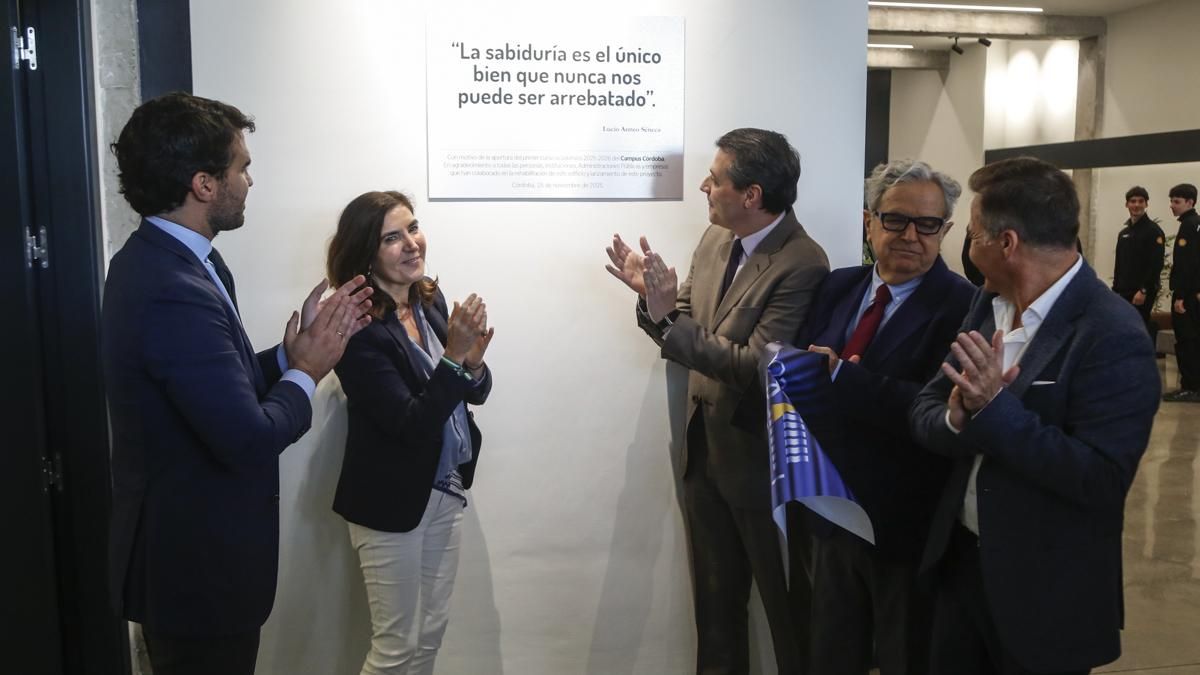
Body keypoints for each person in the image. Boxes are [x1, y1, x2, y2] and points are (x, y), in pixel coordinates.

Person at [102, 92, 373, 675]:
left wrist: (288, 356)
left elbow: (217, 382)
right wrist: (307, 371)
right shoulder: (169, 284)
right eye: (241, 167)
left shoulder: (184, 262)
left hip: (197, 565)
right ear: (204, 184)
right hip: (193, 572)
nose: (250, 180)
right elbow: (247, 438)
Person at [911, 157, 1160, 674]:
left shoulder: (1111, 332)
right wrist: (956, 420)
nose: (968, 249)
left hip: (1045, 596)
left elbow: (1100, 478)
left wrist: (994, 411)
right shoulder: (989, 304)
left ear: (1007, 243)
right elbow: (927, 406)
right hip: (962, 568)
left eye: (972, 235)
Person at [606, 128, 829, 674]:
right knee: (715, 612)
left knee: (788, 617)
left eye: (715, 178)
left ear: (751, 195)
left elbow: (754, 368)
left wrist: (668, 319)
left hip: (763, 470)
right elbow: (681, 321)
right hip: (703, 455)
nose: (705, 187)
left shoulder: (803, 262)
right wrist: (653, 301)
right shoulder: (715, 239)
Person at [799, 159, 975, 675]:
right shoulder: (838, 286)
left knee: (905, 656)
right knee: (831, 654)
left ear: (945, 231)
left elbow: (936, 409)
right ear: (869, 222)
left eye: (928, 224)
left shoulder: (964, 306)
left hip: (905, 524)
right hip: (830, 509)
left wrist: (842, 378)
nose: (910, 236)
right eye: (896, 219)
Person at [328, 191, 494, 675]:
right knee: (396, 646)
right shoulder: (356, 327)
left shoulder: (429, 300)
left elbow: (473, 393)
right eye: (392, 238)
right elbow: (410, 424)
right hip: (389, 499)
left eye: (413, 228)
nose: (411, 244)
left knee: (429, 636)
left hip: (445, 489)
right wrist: (454, 357)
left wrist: (472, 363)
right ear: (366, 252)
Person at [1111, 186, 1165, 337]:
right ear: (1127, 204)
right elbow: (1119, 264)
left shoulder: (1153, 231)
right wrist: (1115, 290)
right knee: (1122, 330)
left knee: (1136, 331)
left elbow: (1156, 264)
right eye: (1133, 201)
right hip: (1123, 291)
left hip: (1141, 293)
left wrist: (1144, 290)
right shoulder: (1124, 233)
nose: (1137, 205)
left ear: (1146, 204)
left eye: (1141, 201)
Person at [1165, 183, 1200, 402]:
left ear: (1190, 202)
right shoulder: (1197, 223)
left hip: (1186, 297)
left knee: (1187, 341)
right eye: (1171, 201)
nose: (1172, 205)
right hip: (1194, 293)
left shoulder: (1189, 225)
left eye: (1176, 201)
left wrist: (1180, 296)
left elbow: (1187, 265)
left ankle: (1190, 387)